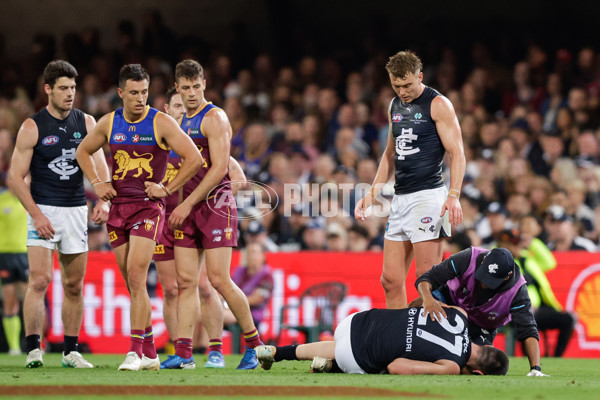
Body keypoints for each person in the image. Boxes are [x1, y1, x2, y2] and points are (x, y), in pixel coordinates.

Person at [75, 64, 202, 371]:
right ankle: (150, 355)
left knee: (136, 275)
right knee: (132, 285)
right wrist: (98, 183)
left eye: (144, 92)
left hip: (147, 208)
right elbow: (82, 151)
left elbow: (195, 159)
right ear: (121, 93)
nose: (140, 99)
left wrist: (167, 188)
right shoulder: (109, 122)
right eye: (133, 93)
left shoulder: (161, 122)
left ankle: (134, 351)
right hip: (118, 209)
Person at [159, 59, 262, 370]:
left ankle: (255, 345)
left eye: (196, 87)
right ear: (177, 88)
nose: (191, 93)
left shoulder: (214, 117)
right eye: (185, 88)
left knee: (218, 280)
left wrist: (186, 203)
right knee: (186, 282)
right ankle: (185, 353)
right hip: (186, 208)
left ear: (204, 84)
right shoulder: (179, 124)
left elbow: (219, 168)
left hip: (215, 207)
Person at [8, 60, 111, 369]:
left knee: (74, 285)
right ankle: (33, 350)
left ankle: (70, 351)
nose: (70, 94)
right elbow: (14, 177)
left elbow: (102, 167)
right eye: (63, 88)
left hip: (77, 209)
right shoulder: (33, 126)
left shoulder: (88, 123)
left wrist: (104, 201)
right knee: (39, 280)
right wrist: (36, 215)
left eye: (73, 88)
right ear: (48, 89)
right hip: (44, 208)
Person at [355, 50, 465, 308]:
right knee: (390, 281)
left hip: (428, 197)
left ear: (420, 77)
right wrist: (372, 194)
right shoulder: (394, 106)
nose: (402, 91)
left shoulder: (438, 104)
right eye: (396, 85)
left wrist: (454, 195)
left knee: (427, 282)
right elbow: (389, 154)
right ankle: (400, 345)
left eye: (407, 85)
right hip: (400, 198)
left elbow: (457, 152)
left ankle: (438, 342)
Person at [255, 306, 509, 376]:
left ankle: (277, 352)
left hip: (357, 320)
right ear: (478, 373)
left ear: (486, 345)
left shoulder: (460, 315)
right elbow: (397, 367)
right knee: (374, 362)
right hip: (354, 355)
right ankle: (332, 367)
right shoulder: (452, 366)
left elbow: (416, 305)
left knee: (344, 346)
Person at [414, 247, 549, 376]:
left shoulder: (518, 291)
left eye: (491, 282)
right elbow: (427, 278)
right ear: (484, 261)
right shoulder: (468, 257)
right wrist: (428, 299)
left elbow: (528, 330)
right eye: (483, 276)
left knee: (479, 366)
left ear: (507, 276)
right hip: (449, 301)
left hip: (481, 327)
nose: (484, 284)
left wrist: (535, 368)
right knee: (419, 304)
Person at [497, 228, 575, 357]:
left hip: (540, 308)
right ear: (503, 245)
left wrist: (533, 242)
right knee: (525, 323)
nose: (516, 247)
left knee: (568, 320)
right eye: (512, 244)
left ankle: (556, 358)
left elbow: (550, 262)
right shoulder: (500, 263)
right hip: (517, 310)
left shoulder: (528, 259)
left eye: (517, 243)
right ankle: (529, 357)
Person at [0, 183, 28, 355]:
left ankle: (38, 343)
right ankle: (14, 347)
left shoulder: (33, 200)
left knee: (32, 300)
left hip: (27, 254)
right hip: (5, 255)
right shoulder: (2, 200)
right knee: (10, 302)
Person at [223, 243, 274, 327]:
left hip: (252, 314)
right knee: (206, 314)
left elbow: (257, 299)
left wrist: (231, 302)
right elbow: (226, 290)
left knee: (213, 316)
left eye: (254, 253)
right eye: (248, 253)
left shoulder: (266, 275)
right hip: (231, 310)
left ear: (262, 256)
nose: (251, 256)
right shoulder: (239, 271)